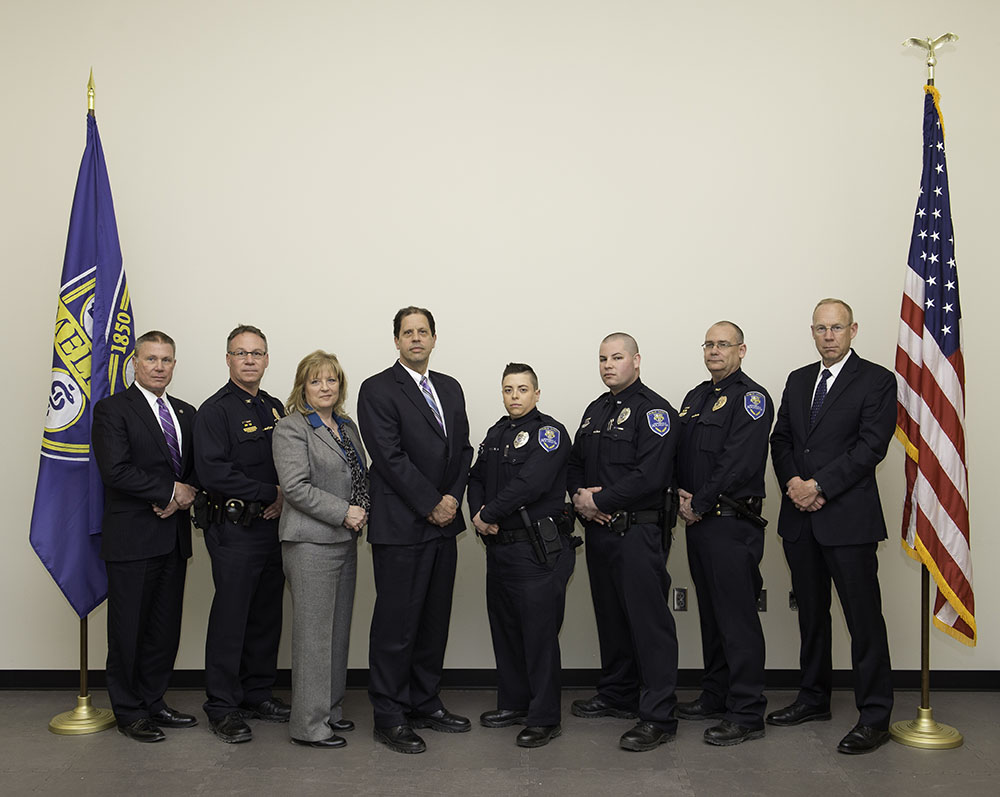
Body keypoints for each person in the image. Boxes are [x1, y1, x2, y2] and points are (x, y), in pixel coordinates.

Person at [769, 298, 896, 755]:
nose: (828, 336)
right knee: (811, 616)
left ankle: (876, 715)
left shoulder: (878, 380)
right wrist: (794, 484)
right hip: (800, 521)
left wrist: (819, 486)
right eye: (821, 328)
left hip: (848, 520)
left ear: (853, 330)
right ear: (813, 331)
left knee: (863, 621)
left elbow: (871, 447)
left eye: (836, 328)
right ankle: (813, 698)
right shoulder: (799, 379)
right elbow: (781, 440)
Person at [357, 306, 474, 754]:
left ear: (434, 337)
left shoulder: (449, 387)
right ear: (396, 340)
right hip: (402, 526)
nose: (416, 339)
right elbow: (388, 457)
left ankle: (424, 701)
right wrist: (430, 503)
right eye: (408, 332)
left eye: (423, 331)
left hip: (443, 526)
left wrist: (450, 501)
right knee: (395, 626)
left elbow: (462, 450)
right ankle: (389, 714)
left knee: (432, 621)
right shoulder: (378, 389)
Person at [567, 332, 680, 752]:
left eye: (617, 357)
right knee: (612, 617)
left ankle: (658, 715)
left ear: (636, 360)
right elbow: (575, 463)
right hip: (600, 532)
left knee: (649, 625)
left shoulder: (655, 412)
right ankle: (618, 694)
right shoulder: (596, 410)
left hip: (638, 532)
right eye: (602, 358)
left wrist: (599, 499)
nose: (608, 365)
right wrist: (583, 500)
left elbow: (650, 475)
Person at [91, 330, 199, 742]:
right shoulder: (112, 410)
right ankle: (129, 711)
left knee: (163, 628)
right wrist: (169, 492)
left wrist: (179, 498)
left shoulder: (185, 413)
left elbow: (192, 472)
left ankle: (154, 701)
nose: (159, 366)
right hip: (131, 539)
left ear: (174, 364)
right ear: (134, 362)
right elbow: (114, 470)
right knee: (127, 630)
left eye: (166, 360)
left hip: (172, 537)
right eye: (151, 359)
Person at [468, 363, 578, 748]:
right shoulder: (496, 433)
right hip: (500, 548)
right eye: (508, 389)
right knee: (507, 630)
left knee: (539, 635)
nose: (515, 396)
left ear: (536, 393)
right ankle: (514, 703)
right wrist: (477, 516)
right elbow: (476, 477)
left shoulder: (549, 433)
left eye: (522, 389)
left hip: (537, 551)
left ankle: (545, 717)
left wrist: (489, 514)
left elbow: (531, 483)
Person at [675, 321, 773, 746]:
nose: (714, 351)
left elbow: (738, 461)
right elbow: (678, 454)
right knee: (712, 618)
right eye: (709, 344)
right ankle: (715, 695)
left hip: (731, 524)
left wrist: (696, 502)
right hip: (700, 523)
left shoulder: (751, 399)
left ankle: (747, 710)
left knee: (737, 620)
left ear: (742, 350)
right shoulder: (696, 397)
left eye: (723, 344)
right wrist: (678, 496)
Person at [194, 324, 290, 743]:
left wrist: (285, 497)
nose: (249, 360)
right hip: (234, 529)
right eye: (241, 353)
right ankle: (222, 705)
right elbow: (215, 472)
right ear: (228, 359)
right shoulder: (214, 411)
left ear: (267, 359)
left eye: (257, 353)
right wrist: (271, 492)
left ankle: (257, 692)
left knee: (267, 614)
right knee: (232, 618)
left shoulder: (274, 408)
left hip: (272, 526)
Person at [272, 350, 369, 749]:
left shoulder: (347, 426)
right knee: (313, 635)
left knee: (336, 631)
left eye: (331, 380)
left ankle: (329, 710)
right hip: (310, 541)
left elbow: (359, 473)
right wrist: (344, 511)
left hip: (345, 540)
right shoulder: (291, 428)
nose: (325, 387)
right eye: (316, 381)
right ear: (303, 387)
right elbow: (294, 487)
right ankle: (308, 726)